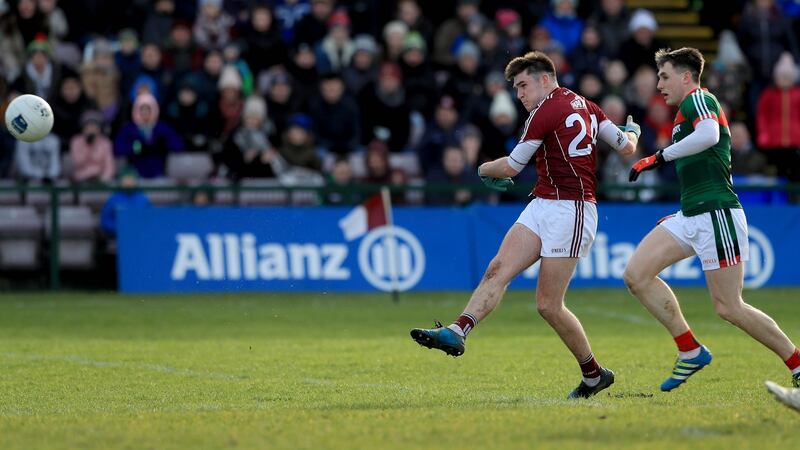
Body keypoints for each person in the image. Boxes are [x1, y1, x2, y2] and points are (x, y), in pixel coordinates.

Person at [410, 51, 640, 399]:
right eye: (516, 88)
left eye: (522, 85)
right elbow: (626, 147)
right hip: (544, 202)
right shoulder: (590, 107)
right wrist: (633, 130)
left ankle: (594, 374)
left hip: (572, 209)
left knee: (548, 305)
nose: (519, 94)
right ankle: (458, 330)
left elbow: (512, 167)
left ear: (545, 79)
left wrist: (481, 169)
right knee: (497, 269)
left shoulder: (544, 110)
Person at [625, 47, 800, 392]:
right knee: (636, 275)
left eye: (665, 76)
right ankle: (690, 350)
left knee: (729, 307)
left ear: (686, 76)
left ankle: (797, 364)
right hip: (691, 212)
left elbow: (710, 135)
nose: (659, 84)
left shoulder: (698, 99)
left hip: (716, 212)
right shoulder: (681, 114)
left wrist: (659, 156)